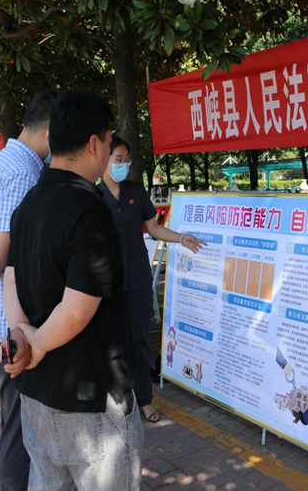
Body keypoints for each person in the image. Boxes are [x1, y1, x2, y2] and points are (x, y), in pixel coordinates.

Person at [3, 90, 142, 489]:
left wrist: (21, 334)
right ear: (96, 144)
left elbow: (11, 278)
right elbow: (78, 307)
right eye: (109, 143)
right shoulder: (91, 210)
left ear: (51, 139)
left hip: (35, 393)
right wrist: (37, 343)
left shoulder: (27, 205)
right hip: (91, 400)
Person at [0, 88, 63, 491]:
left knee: (12, 418)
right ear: (51, 133)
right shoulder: (24, 173)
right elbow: (0, 252)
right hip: (9, 324)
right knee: (21, 429)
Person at [97, 135, 206, 423]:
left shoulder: (135, 190)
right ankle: (119, 401)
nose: (123, 164)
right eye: (117, 159)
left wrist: (180, 238)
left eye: (126, 160)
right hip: (107, 283)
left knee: (140, 341)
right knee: (113, 343)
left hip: (138, 280)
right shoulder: (92, 194)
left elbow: (154, 228)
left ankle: (145, 400)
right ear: (104, 159)